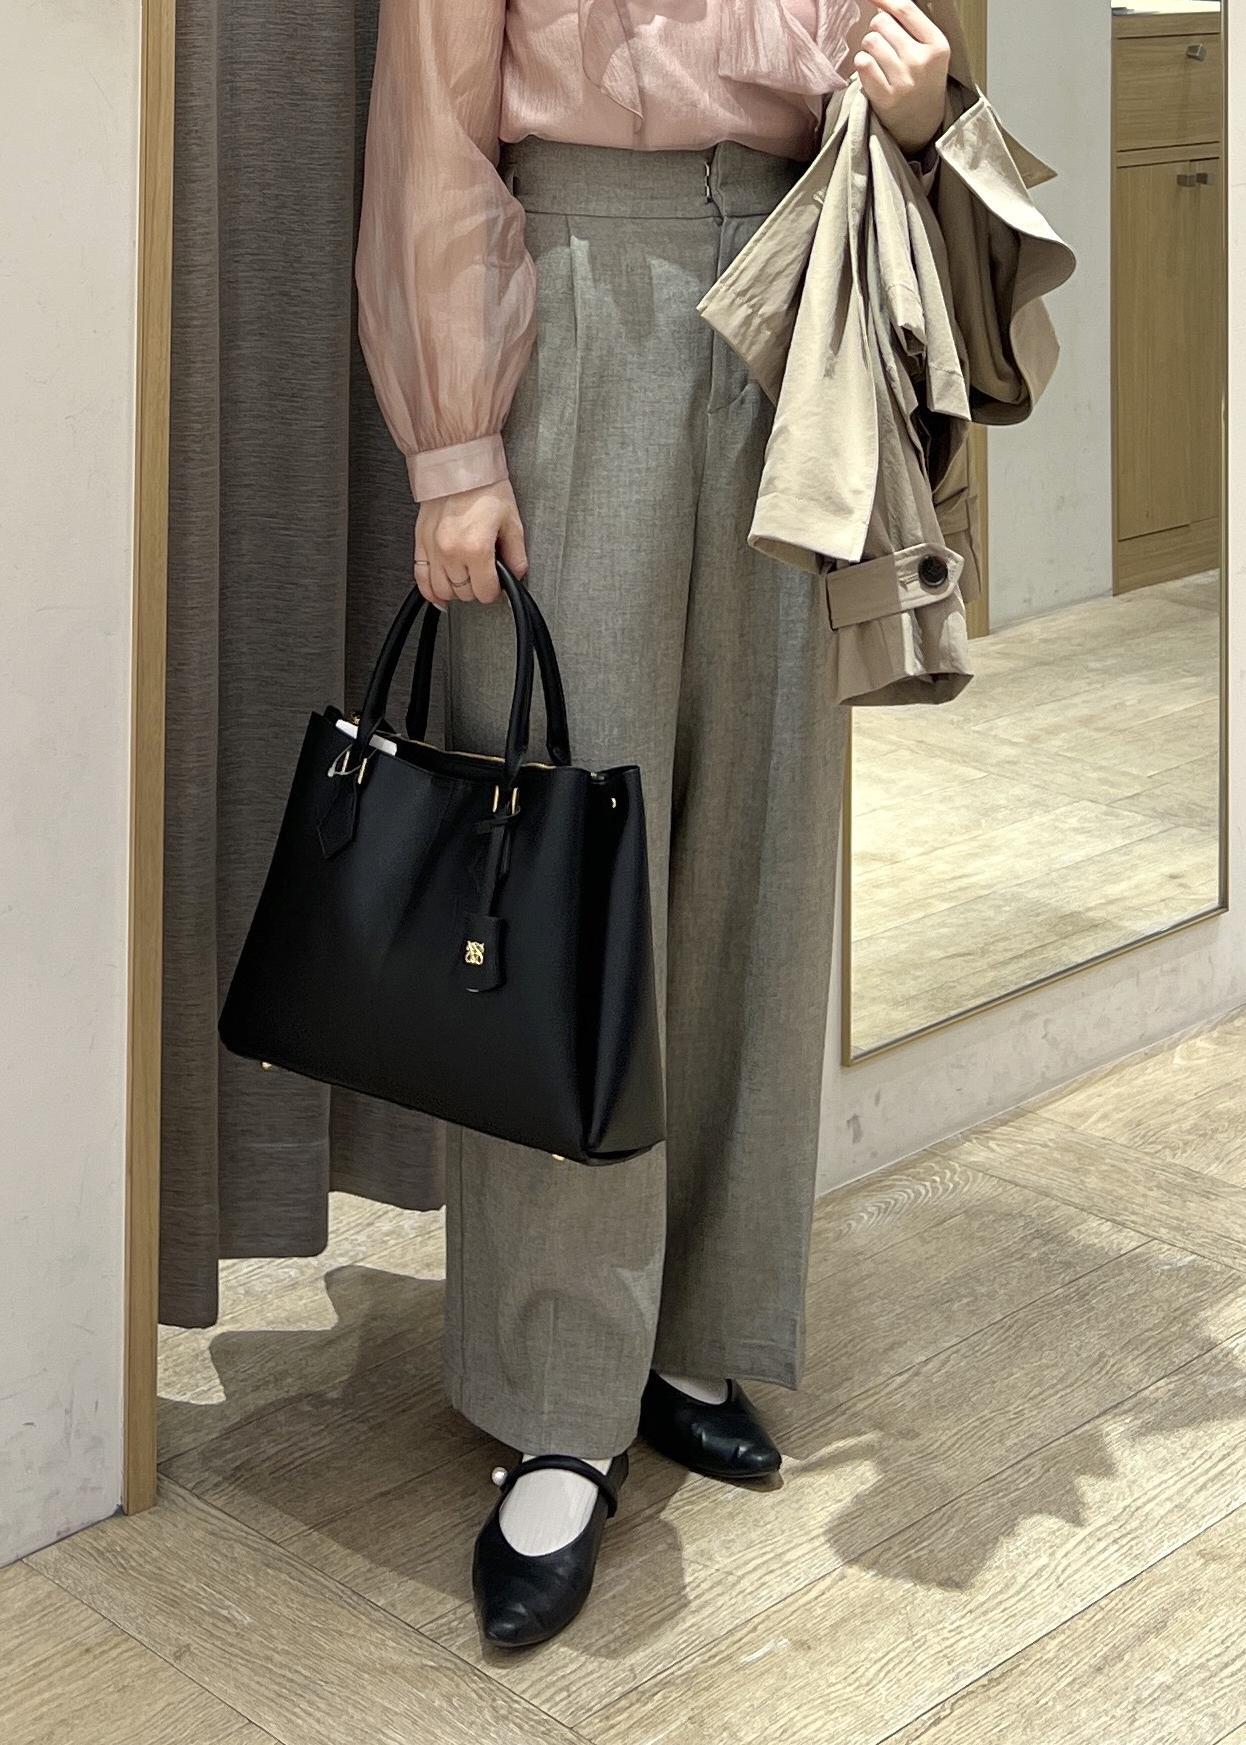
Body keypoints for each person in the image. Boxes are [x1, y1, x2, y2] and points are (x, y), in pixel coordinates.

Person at [354, 0, 949, 1648]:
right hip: (576, 295)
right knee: (569, 879)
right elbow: (431, 134)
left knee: (759, 843)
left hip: (799, 305)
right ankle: (558, 1399)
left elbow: (879, 84)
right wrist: (454, 444)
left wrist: (912, 110)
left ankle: (695, 1330)